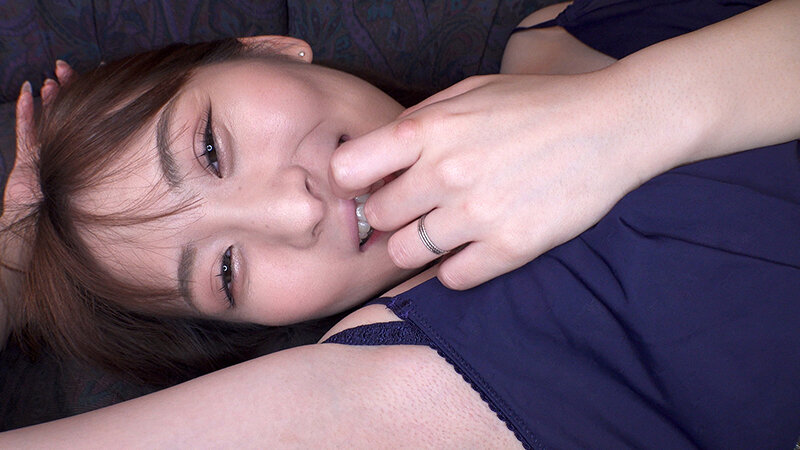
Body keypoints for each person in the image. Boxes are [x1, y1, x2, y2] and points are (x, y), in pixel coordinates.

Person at [1, 0, 798, 446]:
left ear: (269, 50)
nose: (297, 211)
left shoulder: (562, 31)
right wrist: (12, 260)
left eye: (210, 148)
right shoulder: (417, 379)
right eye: (227, 271)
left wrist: (618, 116)